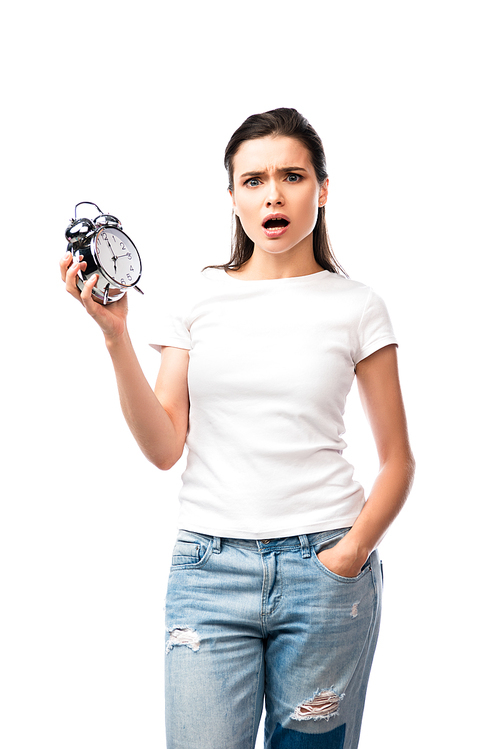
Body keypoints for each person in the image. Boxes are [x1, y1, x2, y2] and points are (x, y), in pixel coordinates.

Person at [61, 107, 415, 749]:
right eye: (252, 180)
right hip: (209, 570)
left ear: (322, 189)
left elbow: (398, 461)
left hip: (325, 570)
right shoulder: (197, 299)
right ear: (232, 198)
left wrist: (351, 553)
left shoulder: (357, 305)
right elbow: (166, 446)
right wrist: (116, 339)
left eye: (292, 176)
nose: (272, 194)